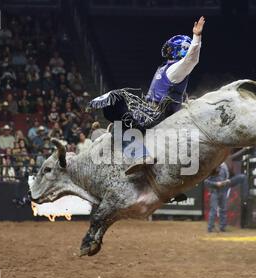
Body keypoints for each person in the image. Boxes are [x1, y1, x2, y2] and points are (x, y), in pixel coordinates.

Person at [88, 16, 206, 175]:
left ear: (180, 50)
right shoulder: (168, 68)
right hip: (152, 111)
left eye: (171, 49)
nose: (168, 51)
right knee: (117, 110)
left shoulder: (176, 70)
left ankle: (141, 156)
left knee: (117, 119)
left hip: (158, 114)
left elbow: (191, 60)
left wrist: (196, 38)